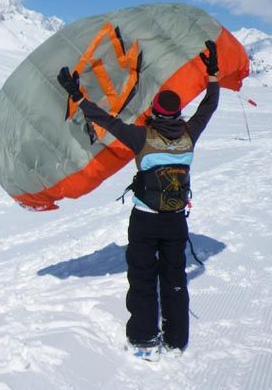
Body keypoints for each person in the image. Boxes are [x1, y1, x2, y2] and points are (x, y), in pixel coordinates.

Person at [57, 40, 221, 361]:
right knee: (174, 277)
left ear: (155, 112)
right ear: (176, 113)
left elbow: (106, 120)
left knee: (143, 277)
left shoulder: (141, 137)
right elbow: (209, 105)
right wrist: (212, 73)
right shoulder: (190, 133)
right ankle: (176, 339)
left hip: (145, 220)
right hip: (175, 220)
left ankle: (145, 339)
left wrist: (77, 96)